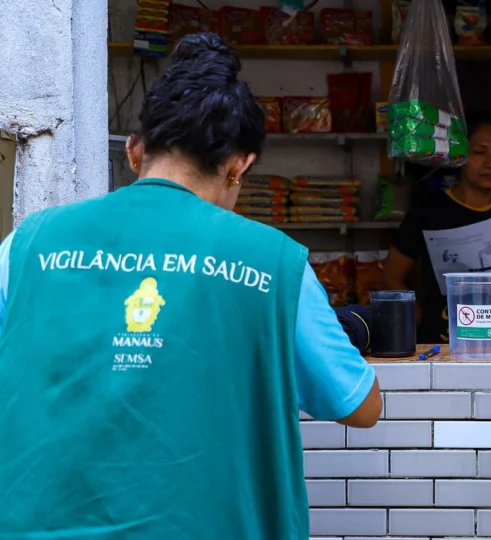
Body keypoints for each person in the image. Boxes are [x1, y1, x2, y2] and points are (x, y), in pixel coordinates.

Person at [0, 34, 381, 539]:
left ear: (135, 152)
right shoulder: (273, 264)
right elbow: (360, 405)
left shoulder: (27, 246)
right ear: (239, 165)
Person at [383, 110, 491, 343]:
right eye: (479, 152)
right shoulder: (430, 210)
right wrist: (416, 316)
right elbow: (392, 276)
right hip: (442, 342)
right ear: (461, 155)